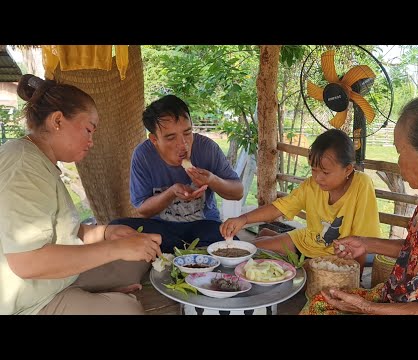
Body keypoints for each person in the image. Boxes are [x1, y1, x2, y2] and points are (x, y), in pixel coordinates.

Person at [302, 95, 418, 315]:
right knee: (322, 301)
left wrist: (367, 308)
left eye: (400, 152)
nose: (398, 162)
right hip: (394, 297)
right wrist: (364, 243)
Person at [0, 74, 162, 315]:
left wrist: (106, 232)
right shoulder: (23, 167)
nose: (91, 141)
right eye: (88, 129)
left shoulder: (39, 160)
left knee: (139, 259)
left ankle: (91, 296)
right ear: (57, 121)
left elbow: (61, 230)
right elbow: (27, 262)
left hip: (55, 279)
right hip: (28, 298)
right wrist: (117, 249)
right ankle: (98, 298)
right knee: (128, 309)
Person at [220, 128, 381, 273]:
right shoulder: (311, 185)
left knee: (274, 261)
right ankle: (271, 239)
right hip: (306, 241)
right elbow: (279, 208)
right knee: (252, 248)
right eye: (314, 170)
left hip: (335, 256)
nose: (318, 178)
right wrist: (243, 219)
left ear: (348, 169)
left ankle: (274, 241)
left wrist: (356, 279)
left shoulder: (361, 185)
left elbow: (363, 242)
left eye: (325, 172)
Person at [110, 95, 243, 253]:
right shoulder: (143, 155)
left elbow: (238, 192)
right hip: (163, 228)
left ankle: (173, 253)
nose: (183, 145)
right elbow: (143, 209)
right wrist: (172, 193)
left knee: (233, 245)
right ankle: (181, 252)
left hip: (204, 225)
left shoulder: (207, 148)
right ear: (154, 139)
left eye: (187, 133)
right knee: (115, 227)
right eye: (171, 137)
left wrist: (213, 180)